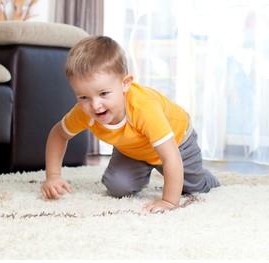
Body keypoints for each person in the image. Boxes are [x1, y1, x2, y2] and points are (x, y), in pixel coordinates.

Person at [41, 35, 220, 213]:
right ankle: (143, 170)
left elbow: (170, 157)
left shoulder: (143, 109)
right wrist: (53, 176)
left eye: (103, 93)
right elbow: (58, 135)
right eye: (84, 97)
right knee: (117, 187)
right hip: (133, 148)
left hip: (178, 143)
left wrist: (168, 202)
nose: (95, 105)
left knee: (193, 187)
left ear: (125, 83)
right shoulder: (84, 113)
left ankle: (207, 178)